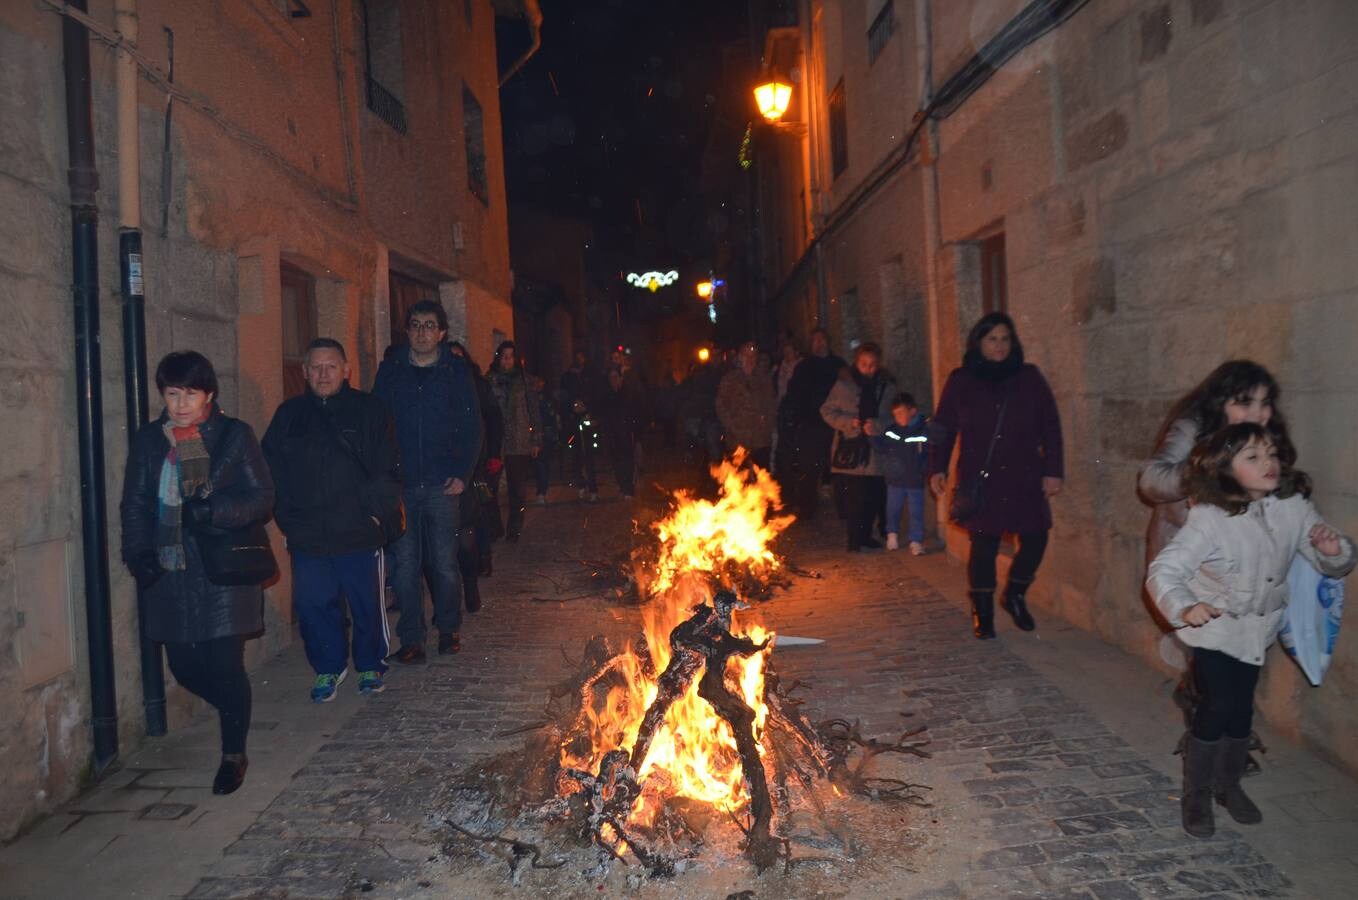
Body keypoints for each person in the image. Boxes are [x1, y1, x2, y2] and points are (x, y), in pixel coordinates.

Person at [1147, 423, 1353, 838]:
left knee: (1241, 710)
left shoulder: (1293, 507)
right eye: (1253, 457)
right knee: (1217, 705)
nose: (1269, 463)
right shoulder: (1209, 518)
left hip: (1258, 631)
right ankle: (1197, 792)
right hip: (1213, 630)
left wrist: (1334, 551)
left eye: (1272, 453)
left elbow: (1327, 556)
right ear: (1224, 469)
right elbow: (1164, 571)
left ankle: (1228, 785)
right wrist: (1184, 606)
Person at [119, 351, 274, 795]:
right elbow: (135, 503)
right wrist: (137, 554)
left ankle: (232, 753)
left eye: (190, 393)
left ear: (208, 394)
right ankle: (236, 709)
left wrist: (212, 510)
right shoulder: (150, 441)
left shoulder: (233, 436)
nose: (181, 403)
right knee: (184, 667)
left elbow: (262, 498)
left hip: (222, 568)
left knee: (225, 663)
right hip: (169, 569)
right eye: (172, 394)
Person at [262, 339, 403, 702]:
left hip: (357, 531)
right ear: (305, 372)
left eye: (330, 367)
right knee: (313, 605)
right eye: (315, 368)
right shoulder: (289, 416)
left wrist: (374, 514)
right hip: (309, 533)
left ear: (346, 371)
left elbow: (387, 466)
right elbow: (271, 471)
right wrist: (288, 519)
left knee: (366, 605)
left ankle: (370, 664)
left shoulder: (369, 411)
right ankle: (329, 667)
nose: (323, 374)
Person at [928, 313, 1063, 639]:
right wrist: (936, 466)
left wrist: (1054, 471)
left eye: (1005, 339)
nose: (1000, 346)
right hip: (982, 476)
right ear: (979, 342)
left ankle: (1015, 592)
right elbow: (943, 427)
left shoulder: (1029, 377)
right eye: (993, 339)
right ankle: (982, 611)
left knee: (1036, 535)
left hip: (1024, 472)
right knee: (985, 544)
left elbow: (1050, 425)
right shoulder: (962, 380)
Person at [373, 300, 483, 662]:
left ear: (441, 333)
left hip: (441, 485)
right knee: (404, 567)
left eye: (429, 325)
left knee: (443, 562)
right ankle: (412, 640)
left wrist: (463, 474)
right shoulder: (391, 372)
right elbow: (377, 428)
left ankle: (448, 629)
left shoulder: (455, 373)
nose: (422, 332)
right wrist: (384, 476)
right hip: (403, 486)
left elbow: (471, 427)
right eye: (416, 325)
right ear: (408, 331)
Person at [1139, 361, 1290, 562]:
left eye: (1264, 403)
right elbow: (1150, 480)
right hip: (1188, 560)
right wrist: (1205, 468)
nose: (1257, 414)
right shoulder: (1193, 429)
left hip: (1242, 561)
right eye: (1244, 403)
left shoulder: (1267, 439)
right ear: (1220, 403)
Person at [820, 342, 894, 552]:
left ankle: (865, 536)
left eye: (872, 365)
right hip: (850, 450)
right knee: (854, 498)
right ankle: (854, 539)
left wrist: (878, 425)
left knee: (872, 496)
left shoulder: (886, 387)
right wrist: (849, 423)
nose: (868, 369)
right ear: (857, 363)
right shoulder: (843, 385)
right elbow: (826, 411)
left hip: (875, 451)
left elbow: (893, 416)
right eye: (864, 364)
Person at [449, 341, 502, 608]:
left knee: (471, 520)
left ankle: (475, 576)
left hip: (474, 464)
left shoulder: (478, 386)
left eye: (459, 356)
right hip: (445, 470)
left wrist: (493, 454)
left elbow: (493, 421)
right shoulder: (439, 387)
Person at [779, 328, 847, 518]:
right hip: (812, 425)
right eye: (815, 340)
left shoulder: (839, 365)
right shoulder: (804, 368)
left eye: (822, 339)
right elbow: (794, 395)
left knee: (841, 469)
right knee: (809, 470)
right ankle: (807, 510)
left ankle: (845, 510)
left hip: (836, 425)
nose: (820, 343)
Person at [488, 341, 541, 541]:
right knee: (490, 488)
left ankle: (514, 528)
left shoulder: (525, 381)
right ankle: (495, 527)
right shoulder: (490, 380)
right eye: (504, 355)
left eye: (511, 355)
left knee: (517, 489)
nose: (507, 359)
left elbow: (534, 412)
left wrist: (535, 439)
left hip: (519, 442)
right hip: (496, 442)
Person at [873, 393, 929, 554]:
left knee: (916, 511)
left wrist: (924, 470)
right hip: (895, 480)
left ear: (912, 411)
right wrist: (871, 436)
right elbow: (881, 447)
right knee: (893, 509)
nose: (898, 417)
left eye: (901, 413)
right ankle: (892, 535)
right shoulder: (892, 430)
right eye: (895, 414)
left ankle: (916, 541)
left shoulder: (923, 430)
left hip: (915, 480)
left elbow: (928, 453)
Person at [715, 341, 777, 470]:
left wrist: (767, 426)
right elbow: (721, 407)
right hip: (738, 442)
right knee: (740, 482)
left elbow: (771, 407)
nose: (750, 360)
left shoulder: (764, 380)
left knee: (762, 481)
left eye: (753, 356)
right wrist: (733, 427)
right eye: (746, 356)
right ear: (740, 357)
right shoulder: (729, 380)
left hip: (761, 441)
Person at [560, 350, 601, 501]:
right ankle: (581, 485)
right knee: (576, 457)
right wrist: (572, 406)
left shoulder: (590, 375)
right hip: (573, 421)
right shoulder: (567, 377)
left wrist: (587, 407)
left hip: (587, 420)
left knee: (589, 457)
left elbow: (594, 394)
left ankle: (593, 490)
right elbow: (564, 396)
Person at [597, 367, 638, 497]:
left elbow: (636, 413)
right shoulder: (607, 395)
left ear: (621, 378)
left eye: (615, 377)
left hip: (626, 433)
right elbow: (604, 414)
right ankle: (622, 486)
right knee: (616, 462)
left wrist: (634, 429)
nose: (613, 380)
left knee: (627, 462)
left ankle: (628, 488)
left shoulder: (628, 393)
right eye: (611, 378)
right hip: (612, 435)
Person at [530, 374, 559, 505]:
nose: (538, 384)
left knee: (543, 463)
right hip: (536, 434)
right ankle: (541, 490)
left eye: (539, 382)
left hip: (545, 434)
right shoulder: (531, 397)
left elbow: (551, 416)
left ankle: (542, 491)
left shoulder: (546, 398)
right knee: (539, 464)